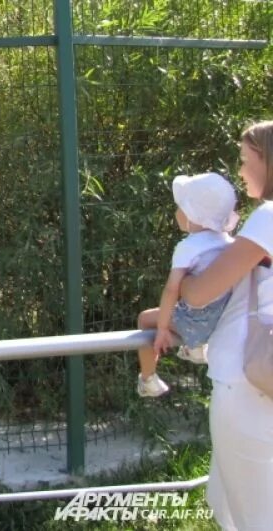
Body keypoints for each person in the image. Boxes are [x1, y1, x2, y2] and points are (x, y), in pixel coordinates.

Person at [180, 120, 273, 529]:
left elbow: (201, 293)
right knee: (226, 499)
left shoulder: (267, 218)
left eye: (244, 160)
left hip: (248, 380)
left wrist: (177, 279)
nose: (240, 171)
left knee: (253, 516)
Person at [136, 172, 239, 398]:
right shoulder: (230, 244)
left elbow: (172, 288)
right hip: (223, 319)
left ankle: (148, 379)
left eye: (181, 207)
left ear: (193, 216)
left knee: (145, 319)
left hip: (196, 320)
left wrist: (162, 328)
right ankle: (196, 349)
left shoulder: (189, 247)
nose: (176, 212)